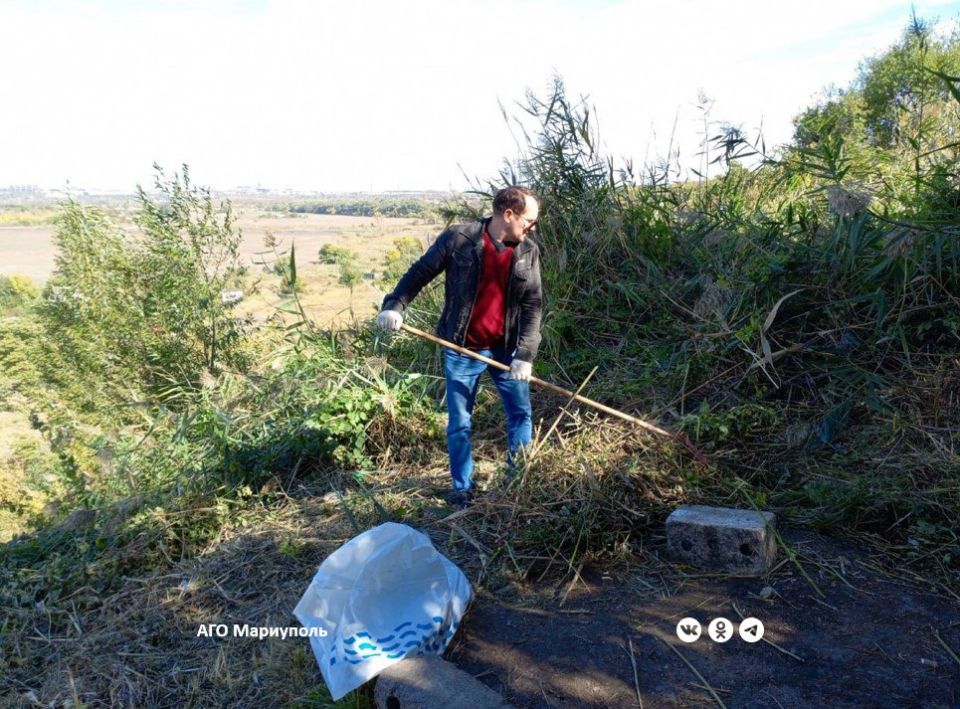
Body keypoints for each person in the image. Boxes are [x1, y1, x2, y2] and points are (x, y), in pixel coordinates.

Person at [376, 186, 543, 508]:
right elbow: (420, 272)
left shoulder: (528, 252)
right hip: (462, 348)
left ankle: (517, 483)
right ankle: (462, 489)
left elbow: (532, 304)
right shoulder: (459, 239)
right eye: (530, 221)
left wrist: (525, 354)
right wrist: (394, 305)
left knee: (520, 415)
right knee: (460, 422)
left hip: (507, 351)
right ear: (508, 214)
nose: (532, 228)